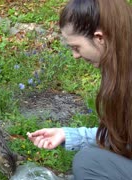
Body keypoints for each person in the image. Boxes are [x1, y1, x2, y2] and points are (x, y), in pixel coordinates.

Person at [27, 0, 132, 179]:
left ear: (100, 38)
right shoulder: (120, 70)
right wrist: (67, 135)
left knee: (88, 162)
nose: (75, 56)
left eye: (76, 47)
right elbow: (123, 137)